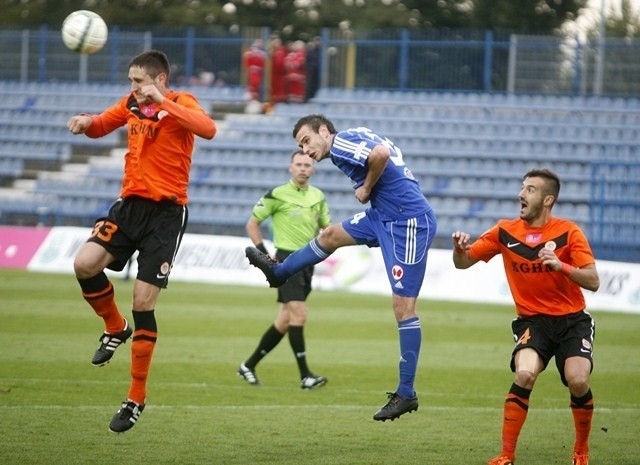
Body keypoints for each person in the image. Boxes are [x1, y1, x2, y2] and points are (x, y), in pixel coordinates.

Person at [245, 114, 437, 421]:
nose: (306, 151)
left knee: (403, 308)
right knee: (331, 234)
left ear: (324, 131)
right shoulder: (351, 137)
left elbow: (381, 154)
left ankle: (406, 393)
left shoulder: (340, 143)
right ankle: (278, 271)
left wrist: (366, 187)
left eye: (307, 141)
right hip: (383, 215)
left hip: (407, 221)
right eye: (300, 146)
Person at [67, 49, 217, 433]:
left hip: (166, 215)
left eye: (138, 81)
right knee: (84, 264)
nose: (132, 88)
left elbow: (208, 128)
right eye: (131, 81)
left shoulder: (181, 102)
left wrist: (164, 102)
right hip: (130, 206)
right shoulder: (131, 103)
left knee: (143, 300)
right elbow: (103, 125)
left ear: (160, 79)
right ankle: (115, 328)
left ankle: (135, 398)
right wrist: (86, 122)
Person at [451, 168, 599, 465]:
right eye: (522, 188)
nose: (521, 194)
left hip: (572, 321)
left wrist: (561, 267)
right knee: (525, 373)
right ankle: (507, 455)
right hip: (533, 321)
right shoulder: (505, 231)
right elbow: (463, 263)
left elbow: (593, 280)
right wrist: (458, 250)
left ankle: (581, 451)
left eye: (529, 189)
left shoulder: (569, 232)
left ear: (547, 200)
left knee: (578, 380)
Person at [238, 149, 331, 389]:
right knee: (299, 315)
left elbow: (327, 229)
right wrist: (262, 252)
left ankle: (248, 365)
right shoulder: (277, 195)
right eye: (298, 164)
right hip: (287, 261)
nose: (303, 168)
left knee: (284, 320)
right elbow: (252, 223)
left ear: (314, 169)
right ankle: (305, 376)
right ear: (290, 168)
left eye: (307, 165)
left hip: (308, 261)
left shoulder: (318, 197)